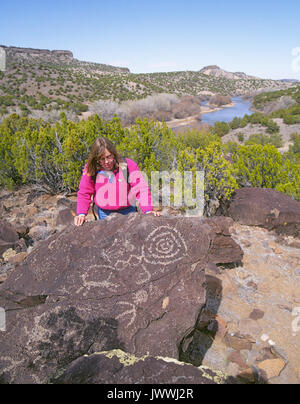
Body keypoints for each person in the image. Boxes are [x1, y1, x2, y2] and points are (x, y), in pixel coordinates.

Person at [74, 137, 160, 226]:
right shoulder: (92, 169)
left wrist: (148, 210)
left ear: (114, 154)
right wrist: (81, 214)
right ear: (96, 159)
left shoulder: (127, 165)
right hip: (105, 214)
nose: (106, 162)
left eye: (108, 157)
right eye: (102, 159)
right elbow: (84, 192)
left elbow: (141, 188)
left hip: (128, 211)